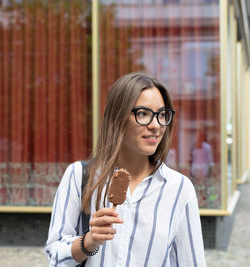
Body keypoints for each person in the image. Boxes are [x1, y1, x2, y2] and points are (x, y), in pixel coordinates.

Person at [45, 72, 206, 267]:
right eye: (143, 114)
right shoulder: (79, 176)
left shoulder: (180, 189)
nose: (156, 125)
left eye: (162, 115)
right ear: (118, 117)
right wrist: (89, 242)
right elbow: (54, 256)